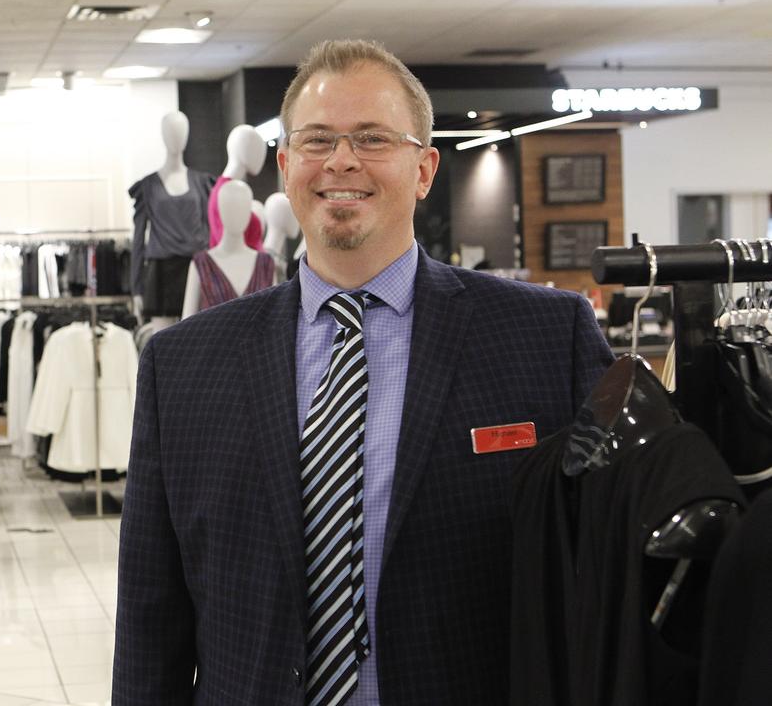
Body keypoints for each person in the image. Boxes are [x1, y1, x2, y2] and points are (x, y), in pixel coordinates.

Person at [113, 39, 613, 706]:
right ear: (286, 165)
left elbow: (605, 581)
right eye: (317, 141)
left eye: (373, 139)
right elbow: (151, 615)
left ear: (426, 168)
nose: (341, 161)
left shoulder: (548, 337)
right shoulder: (183, 365)